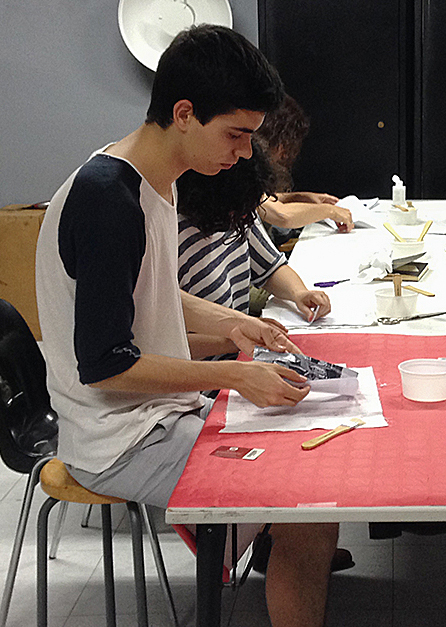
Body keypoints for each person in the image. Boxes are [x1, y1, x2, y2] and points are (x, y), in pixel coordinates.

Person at [35, 25, 338, 627]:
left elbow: (149, 289)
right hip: (117, 437)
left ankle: (239, 543)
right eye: (235, 134)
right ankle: (241, 539)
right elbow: (106, 367)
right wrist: (234, 374)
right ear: (183, 114)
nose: (244, 154)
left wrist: (236, 323)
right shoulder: (107, 200)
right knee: (306, 501)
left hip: (157, 414)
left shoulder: (154, 179)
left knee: (309, 454)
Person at [177, 138, 331, 335]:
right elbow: (172, 341)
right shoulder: (174, 235)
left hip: (238, 346)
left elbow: (270, 267)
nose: (244, 217)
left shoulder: (240, 210)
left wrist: (298, 293)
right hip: (217, 352)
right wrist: (238, 336)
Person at [254, 95, 354, 237]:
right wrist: (329, 211)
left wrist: (300, 197)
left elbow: (263, 201)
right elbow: (281, 215)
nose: (285, 156)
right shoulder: (240, 165)